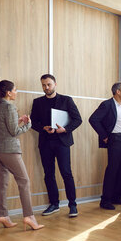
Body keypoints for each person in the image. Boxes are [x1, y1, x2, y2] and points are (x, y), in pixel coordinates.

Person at [0, 80, 44, 231]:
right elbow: (14, 132)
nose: (16, 92)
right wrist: (28, 124)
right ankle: (29, 217)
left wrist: (17, 120)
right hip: (10, 150)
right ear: (8, 92)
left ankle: (3, 215)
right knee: (24, 182)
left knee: (1, 183)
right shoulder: (10, 107)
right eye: (15, 90)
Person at [30, 74, 82, 217]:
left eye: (49, 84)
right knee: (49, 174)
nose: (46, 87)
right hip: (45, 143)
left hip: (62, 142)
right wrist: (43, 128)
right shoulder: (37, 102)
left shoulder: (66, 100)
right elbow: (33, 122)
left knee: (66, 173)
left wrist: (64, 129)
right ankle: (54, 204)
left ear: (55, 84)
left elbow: (78, 120)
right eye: (43, 85)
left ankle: (73, 205)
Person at [89, 82, 121, 210]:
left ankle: (116, 197)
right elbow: (93, 119)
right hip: (115, 140)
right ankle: (105, 200)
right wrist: (105, 136)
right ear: (118, 92)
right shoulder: (107, 104)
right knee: (112, 170)